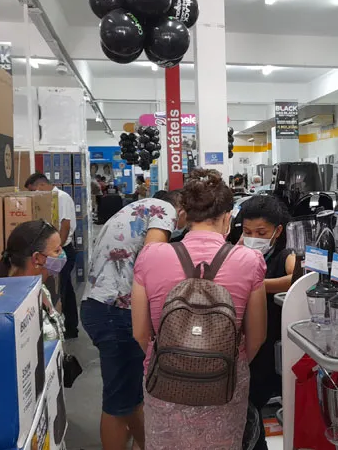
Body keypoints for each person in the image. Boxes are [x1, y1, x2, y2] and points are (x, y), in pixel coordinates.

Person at [131, 169, 267, 450]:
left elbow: (140, 333)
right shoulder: (249, 260)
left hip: (165, 381)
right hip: (225, 385)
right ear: (227, 217)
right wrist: (222, 362)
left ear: (184, 215)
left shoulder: (150, 256)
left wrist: (175, 360)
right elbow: (257, 337)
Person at [80, 191, 181, 450]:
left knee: (130, 395)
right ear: (182, 208)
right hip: (115, 310)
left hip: (99, 305)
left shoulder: (136, 209)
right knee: (118, 403)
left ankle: (146, 443)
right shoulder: (165, 210)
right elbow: (152, 262)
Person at [240, 195, 296, 450]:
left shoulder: (284, 255)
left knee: (254, 402)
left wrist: (257, 286)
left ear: (277, 231)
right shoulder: (240, 255)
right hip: (246, 345)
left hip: (271, 346)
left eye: (261, 233)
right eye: (247, 232)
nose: (254, 238)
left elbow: (296, 277)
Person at [0, 219, 66, 340]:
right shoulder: (18, 306)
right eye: (57, 251)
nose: (62, 254)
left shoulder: (42, 288)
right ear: (37, 258)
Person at [25, 173, 78, 339]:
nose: (33, 194)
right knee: (65, 289)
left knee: (59, 292)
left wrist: (56, 252)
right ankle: (71, 328)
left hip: (62, 250)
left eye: (33, 190)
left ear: (41, 185)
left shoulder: (61, 197)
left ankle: (63, 330)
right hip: (55, 250)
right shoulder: (48, 199)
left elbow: (65, 225)